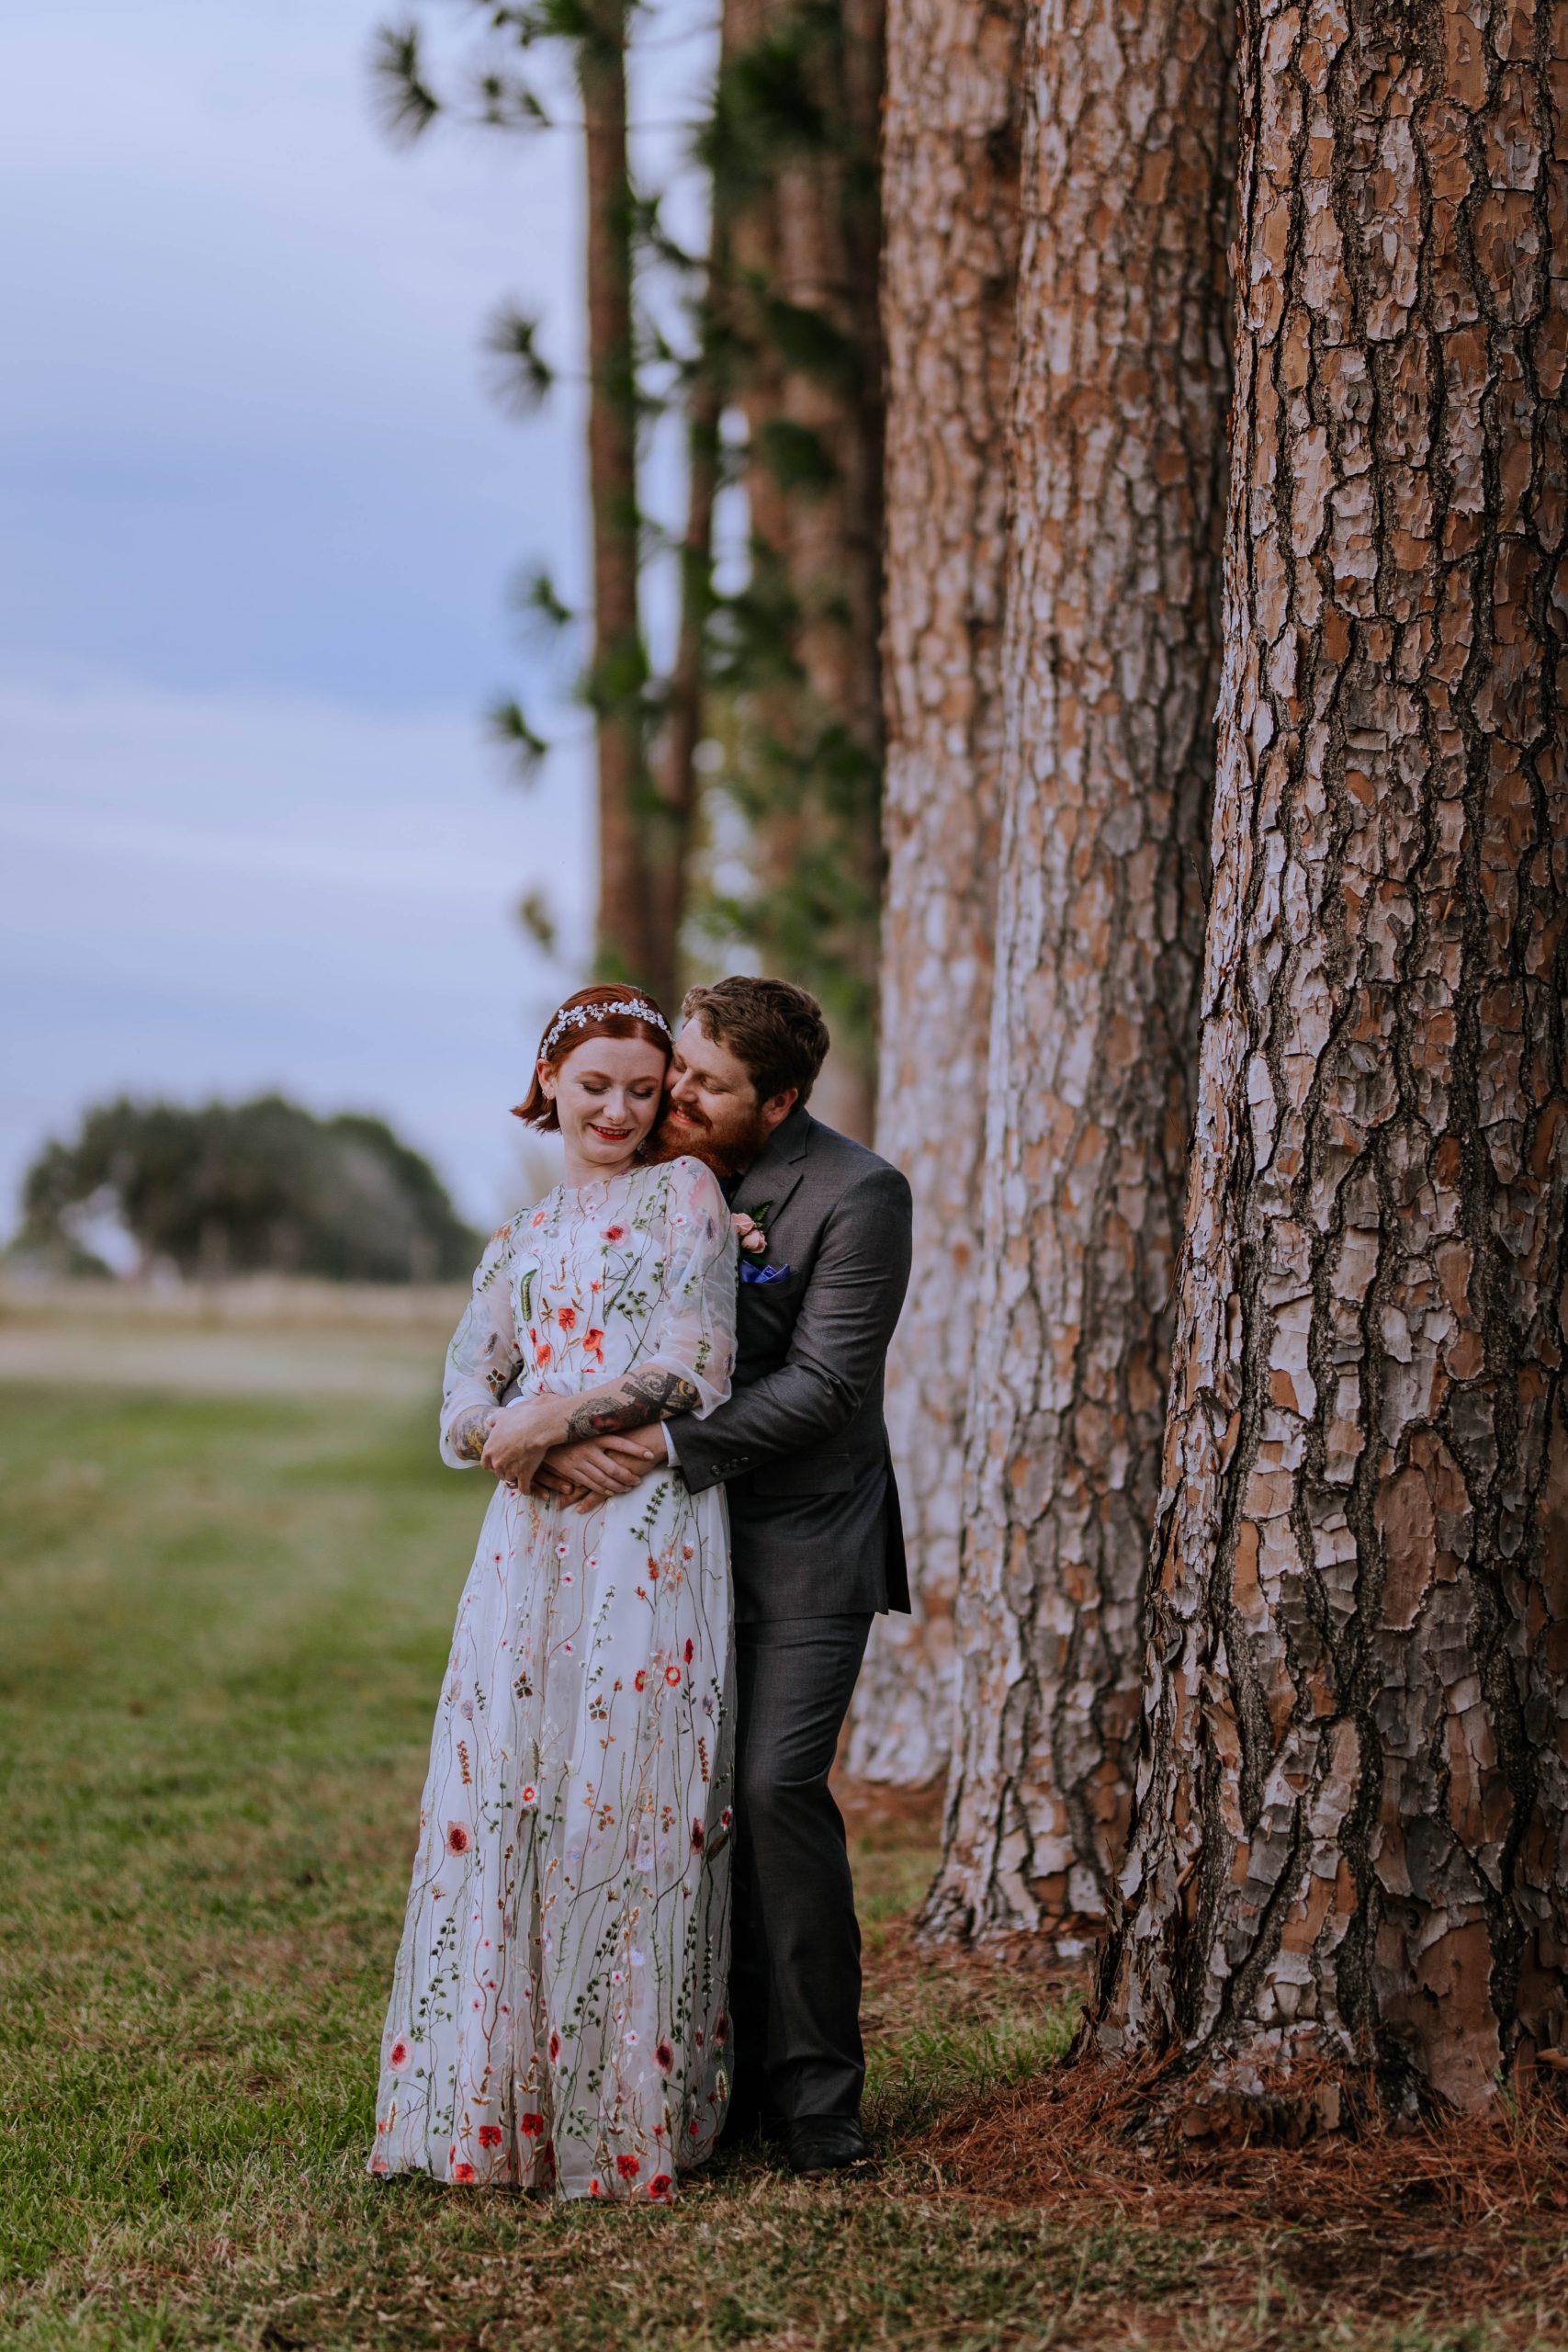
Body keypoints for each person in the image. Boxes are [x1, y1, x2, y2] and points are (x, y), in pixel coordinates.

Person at [536, 977, 913, 2177]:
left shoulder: (859, 1196)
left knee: (772, 1791)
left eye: (705, 1083)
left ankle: (817, 2102)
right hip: (657, 1551)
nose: (677, 1096)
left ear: (783, 1099)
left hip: (804, 1548)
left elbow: (827, 1388)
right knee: (681, 1802)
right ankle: (711, 2081)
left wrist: (655, 1444)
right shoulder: (648, 1173)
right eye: (678, 1070)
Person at [369, 986, 739, 2202]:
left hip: (647, 1535)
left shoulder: (687, 1197)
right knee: (512, 1796)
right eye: (596, 1087)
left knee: (619, 1800)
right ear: (552, 1087)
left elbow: (694, 1363)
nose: (621, 1109)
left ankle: (623, 2113)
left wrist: (559, 1418)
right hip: (528, 1544)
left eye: (644, 1089)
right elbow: (459, 1406)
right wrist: (515, 1438)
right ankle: (492, 2104)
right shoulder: (516, 1243)